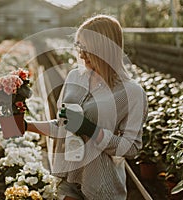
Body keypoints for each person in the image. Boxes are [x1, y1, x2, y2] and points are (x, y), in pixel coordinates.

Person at [25, 14, 148, 200]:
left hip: (102, 189)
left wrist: (90, 129)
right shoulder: (75, 77)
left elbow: (131, 148)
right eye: (78, 46)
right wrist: (24, 125)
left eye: (86, 47)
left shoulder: (131, 93)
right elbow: (61, 126)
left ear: (104, 48)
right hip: (69, 180)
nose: (80, 54)